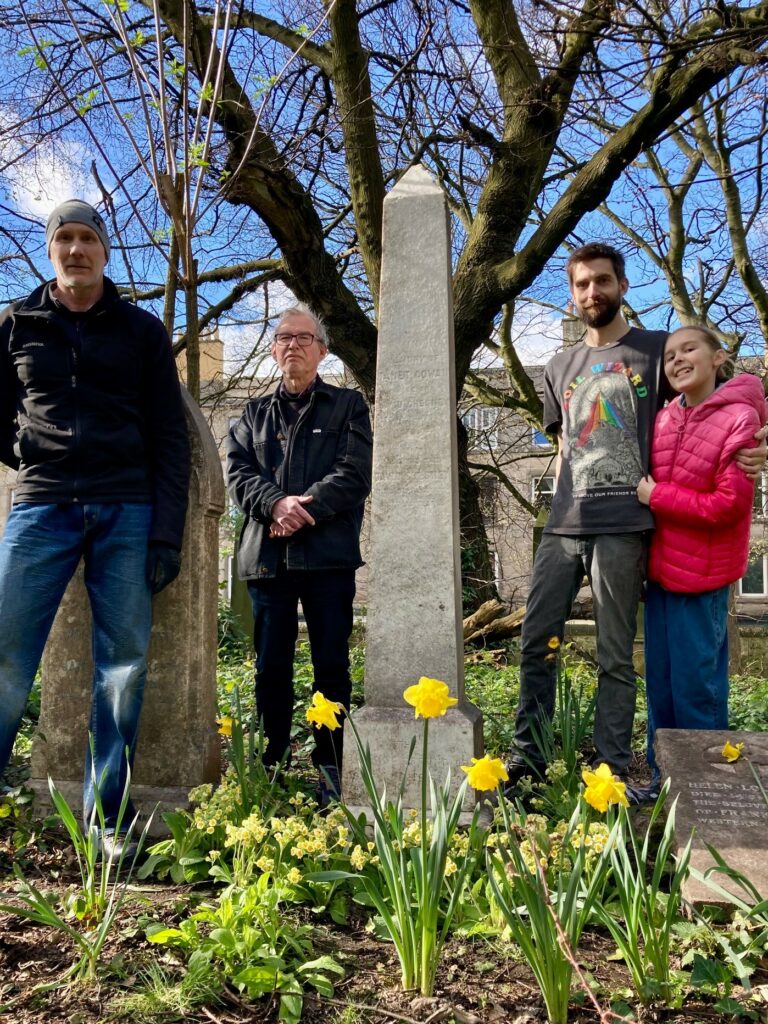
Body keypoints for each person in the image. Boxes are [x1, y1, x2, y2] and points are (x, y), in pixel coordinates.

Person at [507, 243, 764, 794]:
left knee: (615, 655)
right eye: (581, 284)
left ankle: (611, 773)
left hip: (626, 526)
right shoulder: (557, 366)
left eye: (602, 281)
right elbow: (563, 447)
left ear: (622, 285)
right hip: (561, 525)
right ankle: (528, 764)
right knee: (535, 642)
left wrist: (757, 438)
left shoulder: (656, 351)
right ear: (572, 293)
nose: (591, 292)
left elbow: (722, 392)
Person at [0, 199, 189, 854]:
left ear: (104, 251)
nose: (76, 249)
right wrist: (30, 453)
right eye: (65, 239)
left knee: (123, 667)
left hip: (126, 508)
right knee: (4, 657)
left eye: (87, 239)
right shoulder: (16, 325)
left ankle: (107, 819)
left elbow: (171, 437)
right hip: (40, 506)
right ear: (51, 251)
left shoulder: (140, 332)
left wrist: (167, 532)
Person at [226, 304, 372, 805]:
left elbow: (354, 474)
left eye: (304, 338)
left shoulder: (348, 406)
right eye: (283, 337)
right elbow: (238, 475)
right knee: (271, 666)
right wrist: (275, 504)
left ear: (322, 350)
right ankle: (272, 762)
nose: (293, 345)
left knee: (331, 663)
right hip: (267, 561)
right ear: (272, 350)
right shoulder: (250, 414)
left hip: (328, 558)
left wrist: (300, 507)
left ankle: (330, 764)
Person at [636, 326, 766, 798]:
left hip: (702, 577)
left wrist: (657, 496)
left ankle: (709, 789)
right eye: (669, 355)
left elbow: (726, 506)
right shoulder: (664, 417)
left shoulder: (739, 419)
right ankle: (662, 781)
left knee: (698, 690)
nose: (677, 360)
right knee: (662, 688)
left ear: (718, 357)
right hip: (659, 575)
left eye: (689, 348)